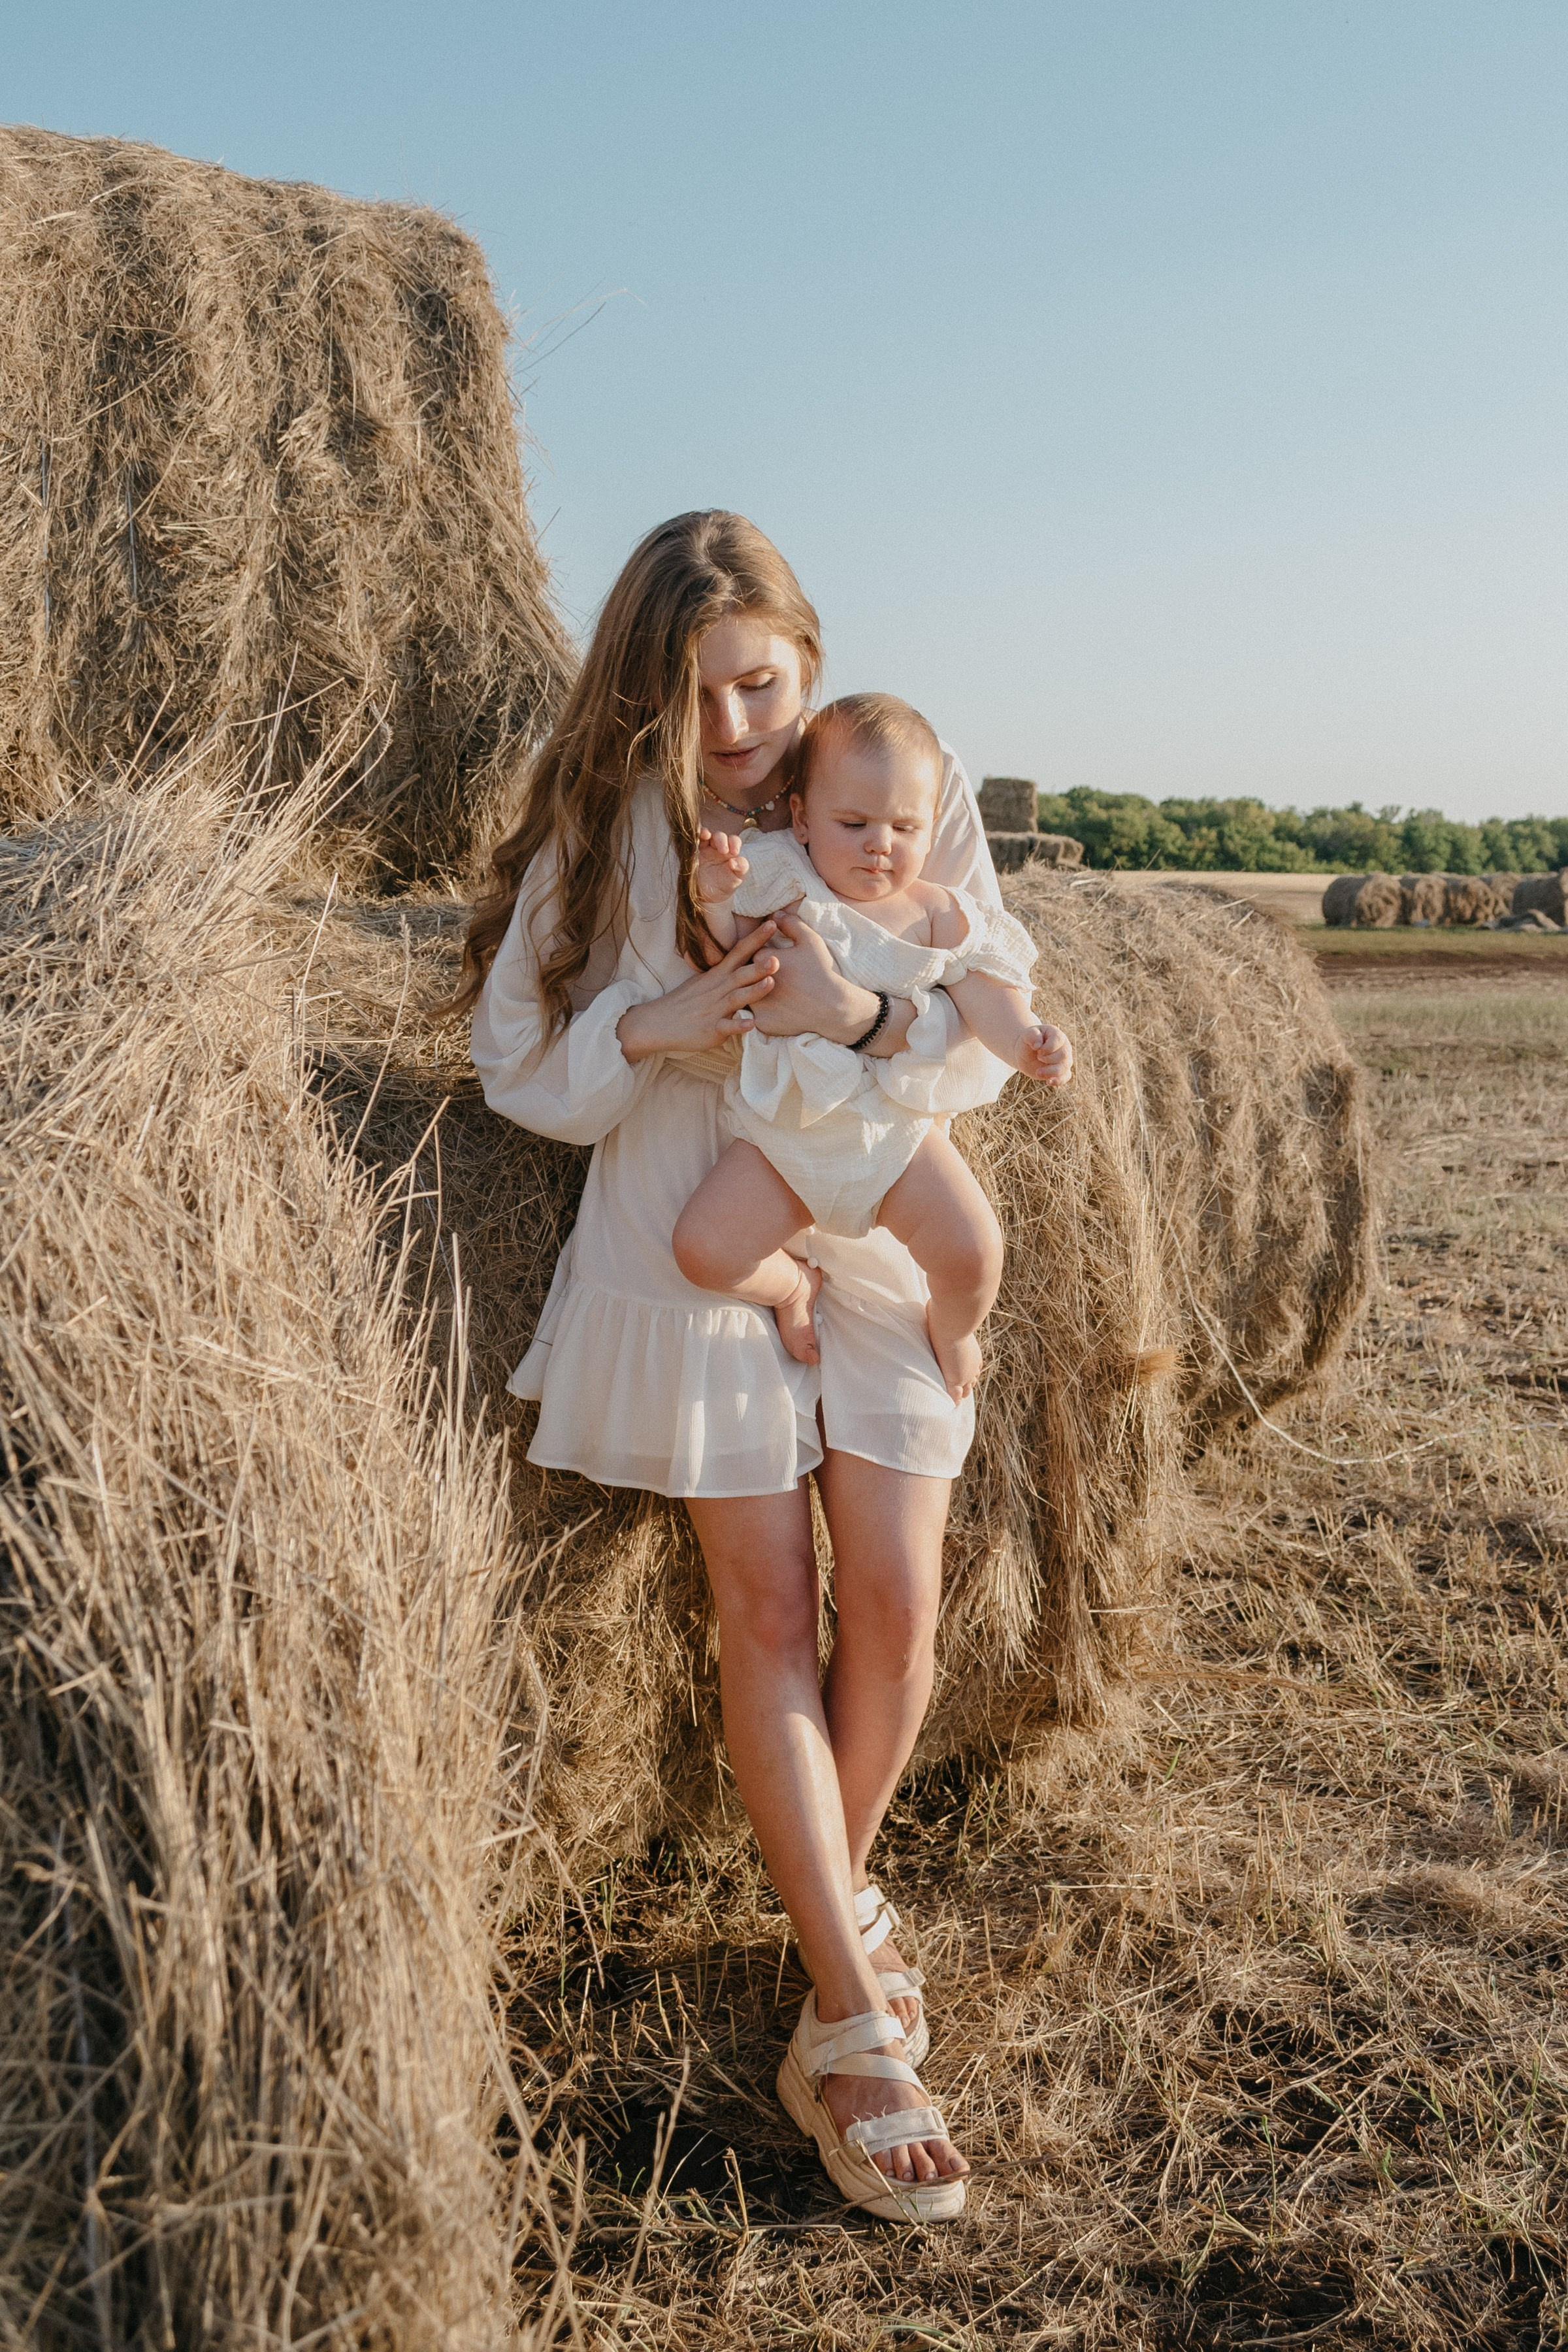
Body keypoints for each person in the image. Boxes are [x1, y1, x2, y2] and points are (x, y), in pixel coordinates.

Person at [458, 510, 1053, 2221]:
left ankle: (822, 1926)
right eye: (696, 698)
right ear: (646, 702)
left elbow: (992, 1012)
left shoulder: (891, 783)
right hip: (687, 1231)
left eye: (761, 684)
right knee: (775, 1614)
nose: (735, 731)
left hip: (866, 1214)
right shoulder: (618, 830)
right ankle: (855, 2025)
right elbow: (523, 1066)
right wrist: (664, 1021)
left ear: (807, 650)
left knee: (907, 1608)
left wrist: (853, 1020)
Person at [674, 691, 1072, 1401]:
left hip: (895, 1140)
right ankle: (790, 1283)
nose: (879, 844)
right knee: (702, 1250)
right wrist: (713, 896)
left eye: (904, 827)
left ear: (932, 826)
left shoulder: (938, 913)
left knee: (976, 1255)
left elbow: (986, 992)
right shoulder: (782, 879)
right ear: (801, 819)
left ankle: (951, 1330)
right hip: (785, 1137)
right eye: (853, 823)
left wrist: (1028, 1042)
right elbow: (725, 958)